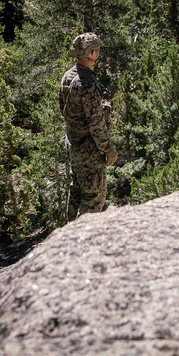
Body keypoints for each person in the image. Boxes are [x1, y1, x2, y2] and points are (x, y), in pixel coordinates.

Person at [59, 32, 117, 217]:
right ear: (91, 53)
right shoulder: (87, 84)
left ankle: (68, 234)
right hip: (89, 149)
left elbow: (65, 109)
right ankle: (81, 239)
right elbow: (96, 124)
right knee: (94, 198)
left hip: (73, 143)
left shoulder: (68, 77)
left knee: (76, 191)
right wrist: (108, 149)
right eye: (97, 50)